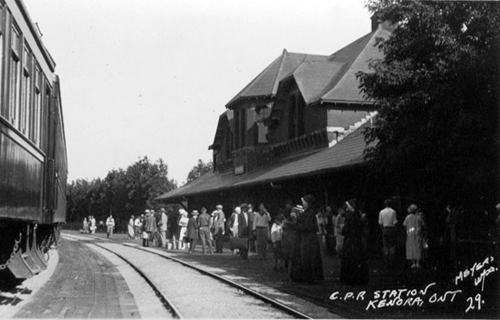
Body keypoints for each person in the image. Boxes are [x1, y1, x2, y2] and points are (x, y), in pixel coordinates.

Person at [290, 194, 324, 283]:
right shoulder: (306, 212)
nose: (302, 204)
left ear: (307, 203)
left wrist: (296, 224)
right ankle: (303, 276)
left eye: (303, 202)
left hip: (307, 239)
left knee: (306, 257)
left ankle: (307, 277)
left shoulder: (310, 213)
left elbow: (308, 226)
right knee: (303, 257)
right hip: (304, 238)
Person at [340, 198, 369, 285]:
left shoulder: (352, 217)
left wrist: (346, 230)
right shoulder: (356, 216)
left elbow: (350, 229)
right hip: (355, 241)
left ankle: (351, 278)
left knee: (351, 259)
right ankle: (355, 277)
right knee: (355, 259)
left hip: (351, 241)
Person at [403, 204, 424, 269]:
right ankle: (418, 262)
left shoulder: (407, 217)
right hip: (417, 234)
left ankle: (413, 262)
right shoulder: (419, 217)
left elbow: (404, 225)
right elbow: (422, 224)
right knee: (417, 247)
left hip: (410, 235)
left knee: (411, 247)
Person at [379, 199, 398, 268]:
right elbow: (395, 222)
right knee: (392, 245)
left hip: (385, 228)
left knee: (385, 246)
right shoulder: (393, 211)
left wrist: (382, 229)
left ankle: (386, 261)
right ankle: (392, 261)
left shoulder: (381, 212)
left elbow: (380, 223)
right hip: (391, 228)